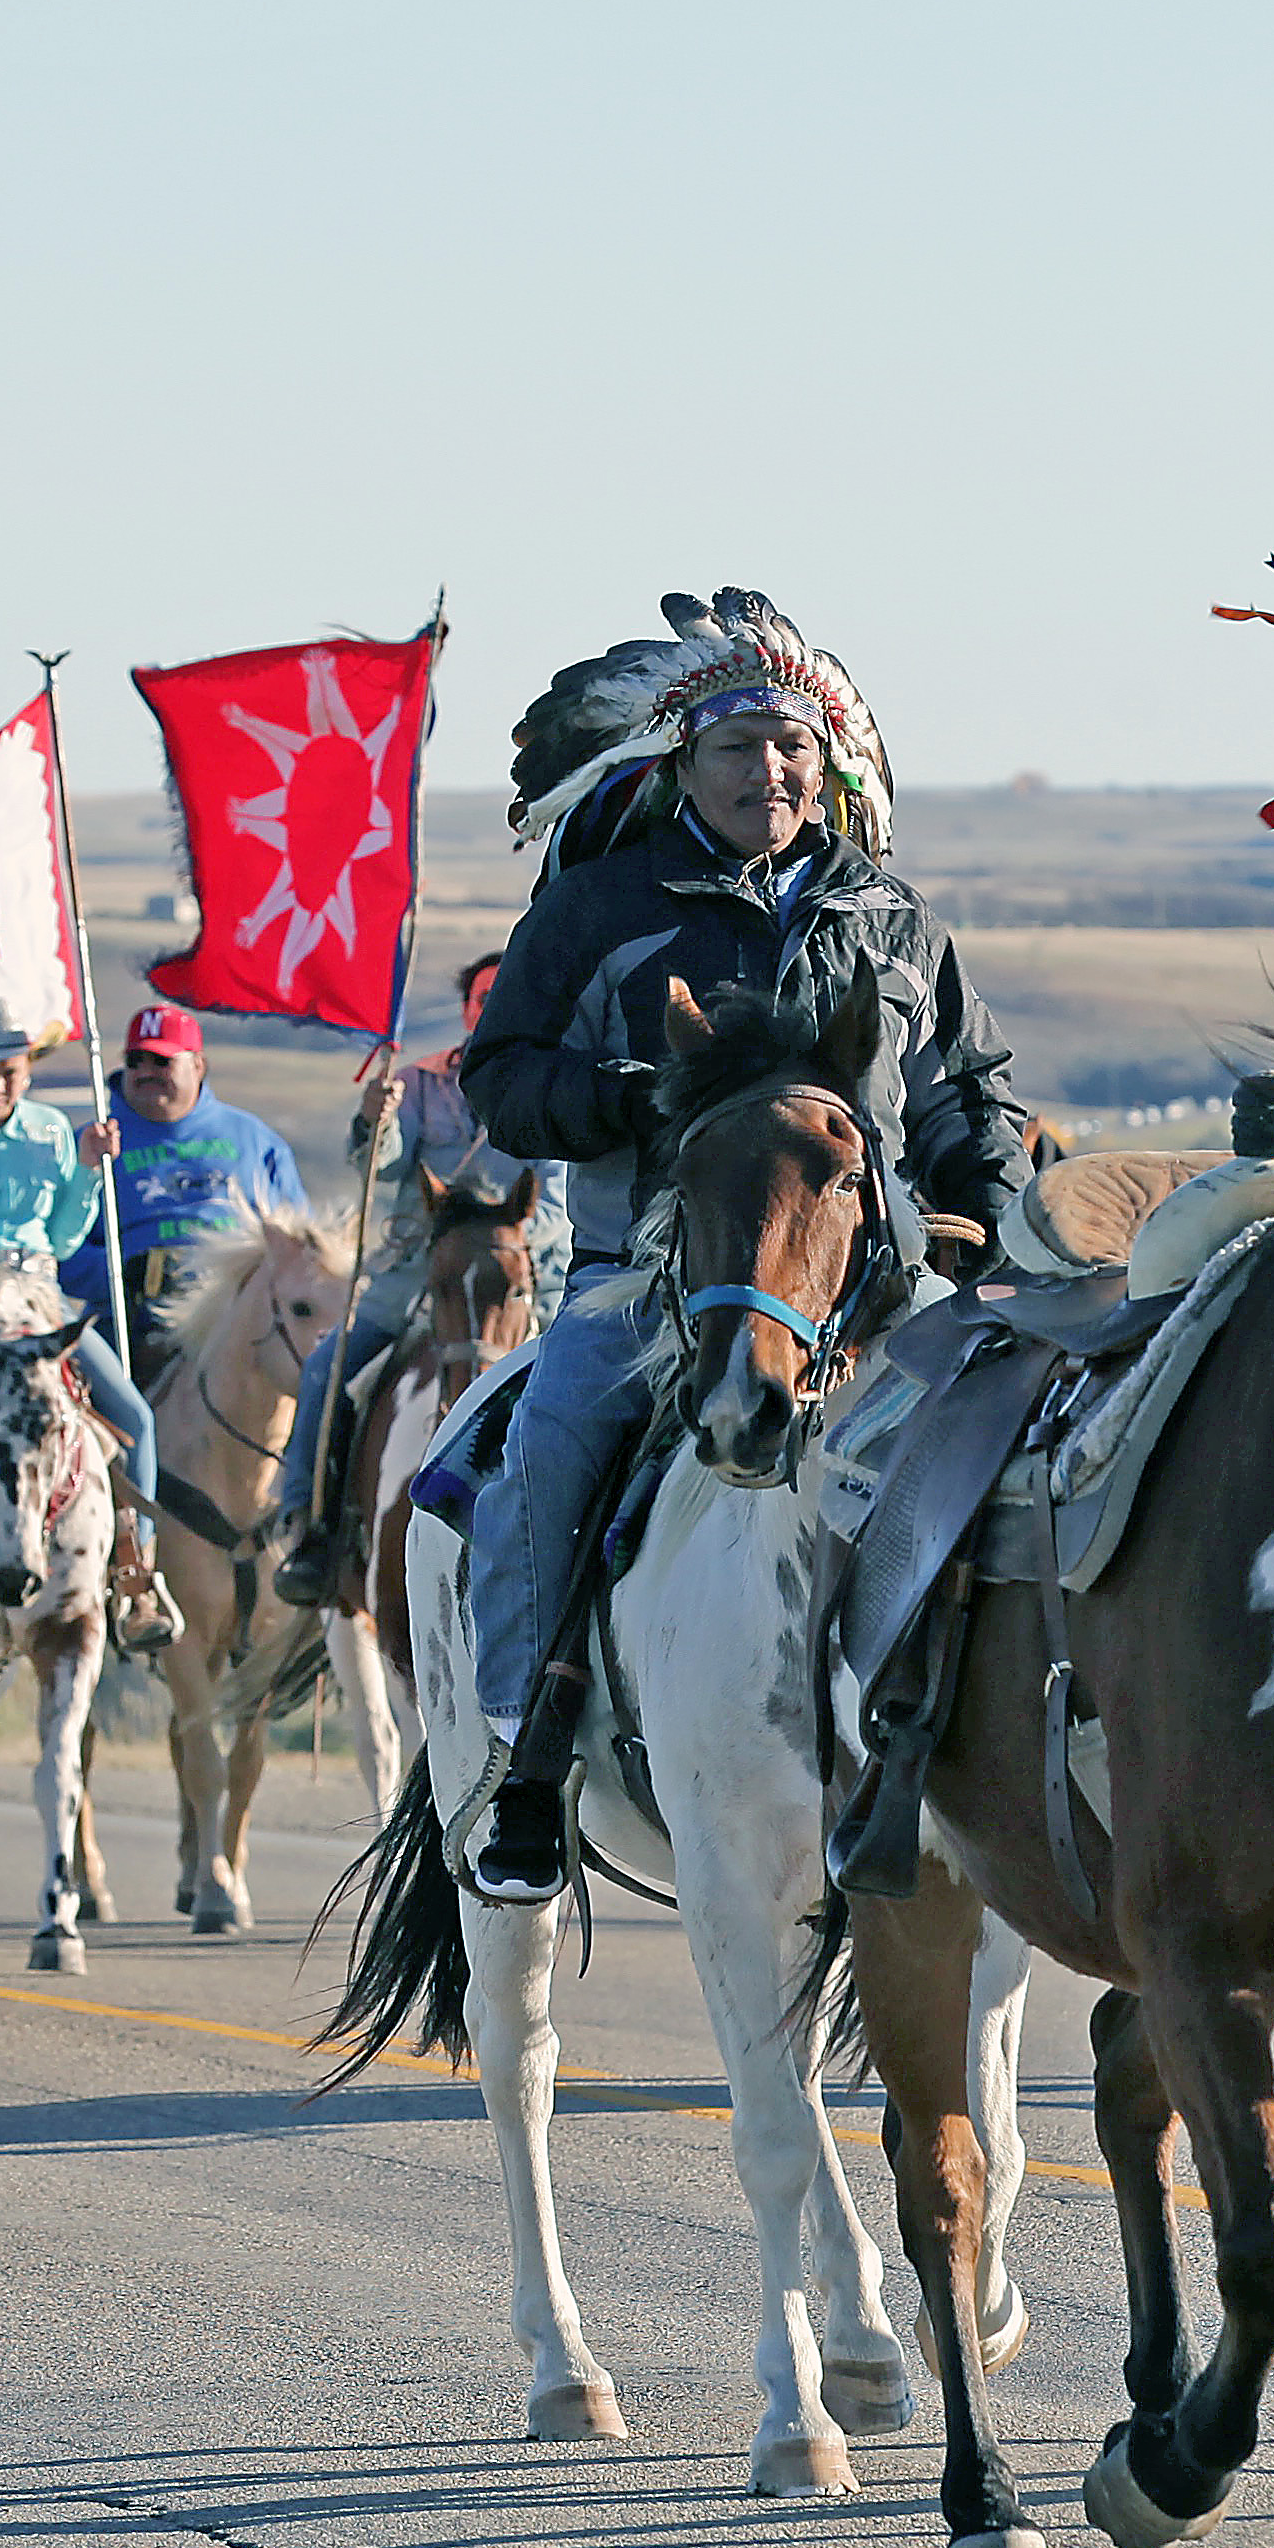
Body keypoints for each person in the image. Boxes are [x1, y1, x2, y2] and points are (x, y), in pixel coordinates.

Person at [456, 591, 1031, 1903]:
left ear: (825, 767)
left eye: (791, 747)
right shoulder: (599, 910)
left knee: (1029, 1441)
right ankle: (527, 1763)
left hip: (872, 1285)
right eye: (736, 748)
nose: (768, 770)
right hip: (652, 1277)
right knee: (549, 1445)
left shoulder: (892, 917)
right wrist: (623, 1095)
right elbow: (502, 1074)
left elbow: (967, 1092)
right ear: (683, 767)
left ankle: (1041, 1738)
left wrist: (997, 1217)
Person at [269, 950, 567, 1606]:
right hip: (417, 1276)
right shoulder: (419, 1085)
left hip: (520, 1278)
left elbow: (555, 1198)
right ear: (466, 1010)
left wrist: (499, 1232)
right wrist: (373, 1123)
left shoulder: (552, 1085)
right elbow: (378, 1166)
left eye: (507, 994)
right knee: (326, 1371)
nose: (494, 1007)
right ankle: (311, 1528)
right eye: (483, 997)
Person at [0, 1000, 177, 1649]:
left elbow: (64, 1236)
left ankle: (135, 1576)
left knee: (134, 1421)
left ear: (28, 1071)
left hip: (46, 1305)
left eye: (10, 1072)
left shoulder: (53, 1130)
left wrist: (87, 1171)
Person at [63, 1005, 307, 1362]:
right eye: (135, 1061)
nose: (146, 1072)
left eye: (162, 1061)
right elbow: (55, 1250)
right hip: (129, 1328)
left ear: (198, 1065)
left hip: (241, 1325)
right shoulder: (90, 1145)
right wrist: (124, 1274)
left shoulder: (255, 1141)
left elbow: (298, 1242)